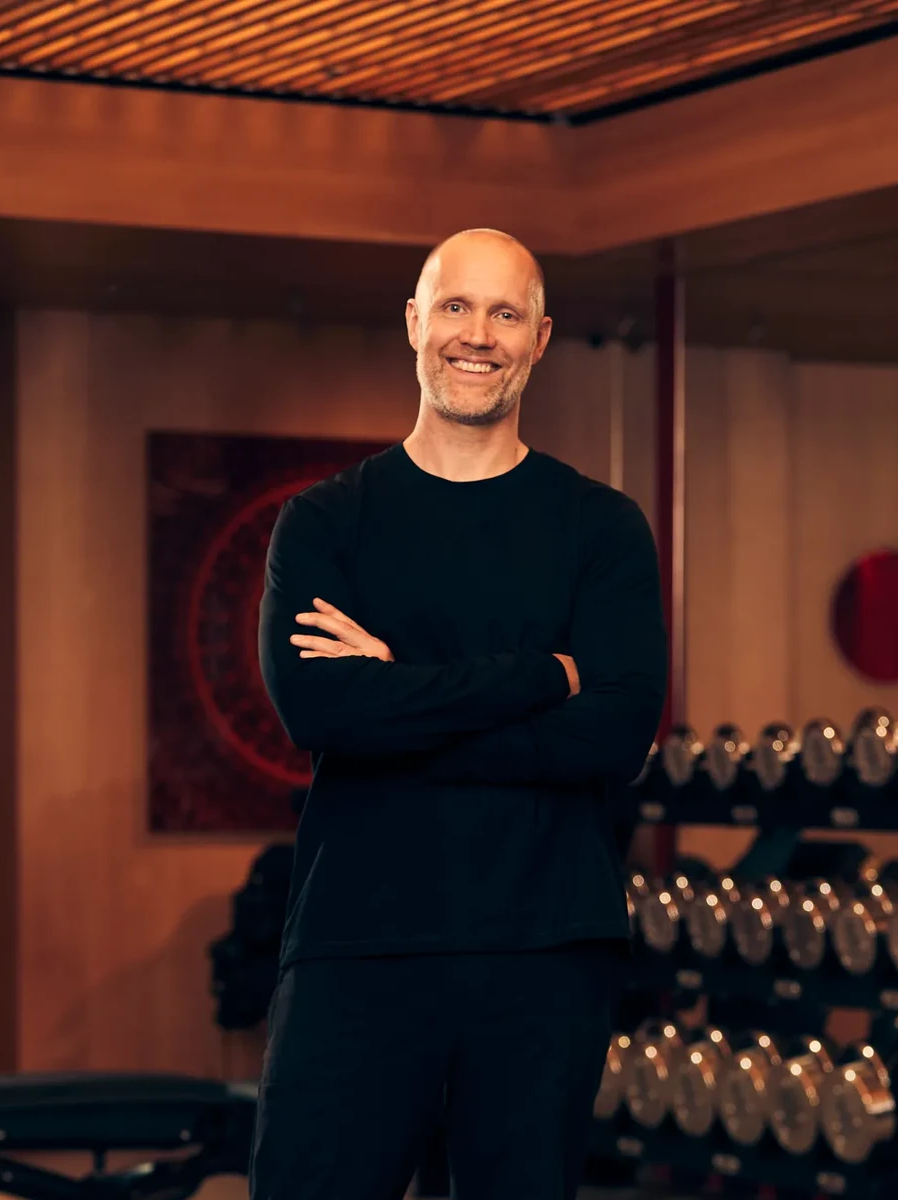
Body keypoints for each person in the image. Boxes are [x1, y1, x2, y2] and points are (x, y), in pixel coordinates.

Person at [249, 228, 668, 1200]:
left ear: (541, 337)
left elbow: (610, 735)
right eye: (454, 306)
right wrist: (535, 676)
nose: (476, 335)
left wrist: (399, 688)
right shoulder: (324, 523)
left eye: (504, 312)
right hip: (358, 940)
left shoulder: (600, 529)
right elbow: (323, 711)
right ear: (413, 322)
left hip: (545, 948)